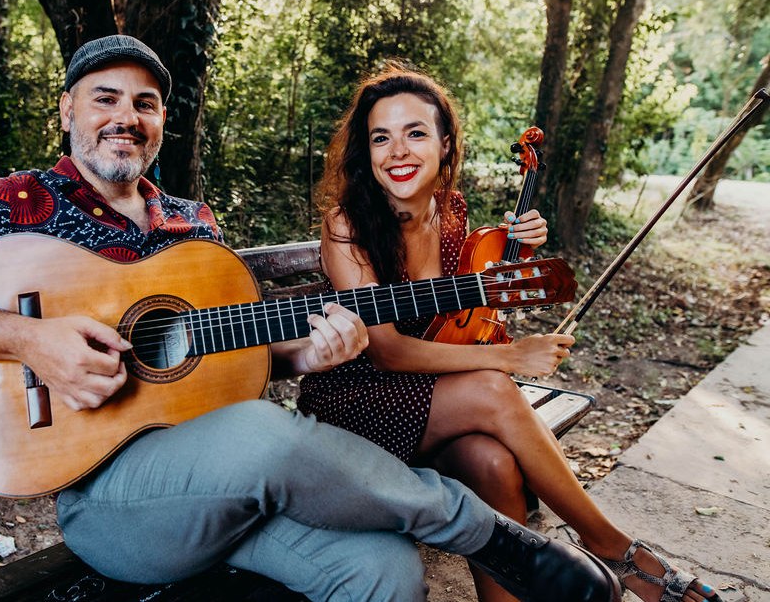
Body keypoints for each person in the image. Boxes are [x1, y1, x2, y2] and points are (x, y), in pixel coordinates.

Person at [0, 35, 620, 602]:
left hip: (231, 488)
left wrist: (311, 351)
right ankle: (484, 531)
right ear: (68, 107)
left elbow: (241, 352)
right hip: (114, 502)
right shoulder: (15, 205)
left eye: (146, 102)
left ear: (162, 121)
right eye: (105, 97)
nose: (125, 116)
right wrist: (28, 337)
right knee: (263, 434)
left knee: (385, 571)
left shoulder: (189, 223)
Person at [298, 62, 723, 602]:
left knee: (494, 464)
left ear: (446, 145)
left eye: (415, 133)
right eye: (381, 137)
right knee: (496, 387)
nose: (397, 151)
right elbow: (386, 351)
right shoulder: (348, 225)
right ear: (367, 150)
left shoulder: (450, 212)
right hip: (356, 405)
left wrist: (516, 249)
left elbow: (468, 316)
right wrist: (510, 358)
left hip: (429, 406)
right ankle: (618, 552)